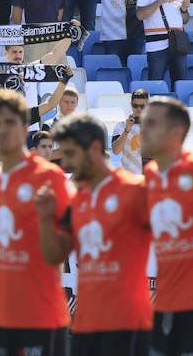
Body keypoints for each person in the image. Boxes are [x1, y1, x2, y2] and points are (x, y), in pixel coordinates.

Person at [35, 113, 152, 355]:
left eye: (70, 153)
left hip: (127, 323)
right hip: (86, 323)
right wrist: (46, 220)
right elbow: (55, 255)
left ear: (95, 148)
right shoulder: (74, 198)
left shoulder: (135, 191)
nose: (65, 163)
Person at [0, 89, 70, 355]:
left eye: (9, 122)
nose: (2, 129)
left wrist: (44, 220)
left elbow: (62, 253)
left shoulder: (49, 177)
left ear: (23, 126)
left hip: (39, 315)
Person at [140, 97, 193, 355]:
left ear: (176, 132)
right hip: (165, 302)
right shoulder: (151, 176)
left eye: (151, 123)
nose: (142, 128)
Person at [136, 0, 191, 84]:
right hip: (156, 45)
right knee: (155, 83)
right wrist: (161, 1)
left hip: (178, 44)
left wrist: (184, 9)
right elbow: (140, 15)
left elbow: (185, 20)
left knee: (180, 83)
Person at [110, 89, 149, 173]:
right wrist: (126, 131)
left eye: (142, 106)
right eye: (135, 106)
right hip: (129, 176)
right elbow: (115, 151)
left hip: (149, 177)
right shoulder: (120, 126)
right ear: (131, 105)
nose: (139, 109)